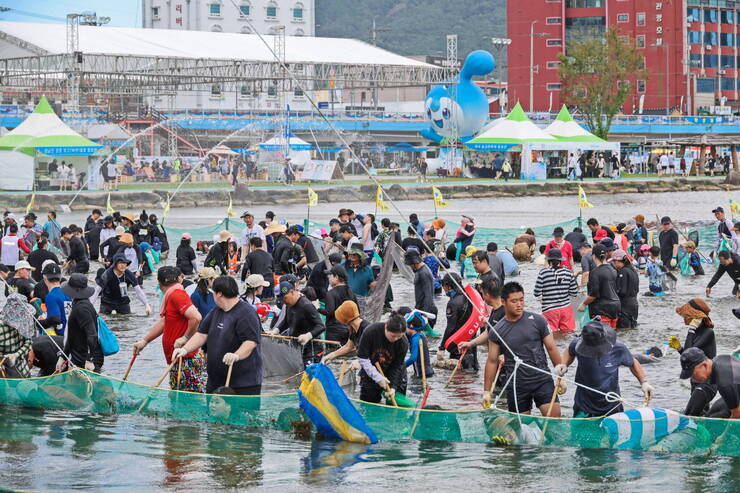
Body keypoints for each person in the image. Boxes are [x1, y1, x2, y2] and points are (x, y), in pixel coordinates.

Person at [482, 282, 565, 416]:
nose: (519, 304)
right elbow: (492, 361)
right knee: (521, 427)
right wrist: (486, 391)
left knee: (554, 420)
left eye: (521, 300)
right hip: (516, 385)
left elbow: (551, 348)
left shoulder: (538, 321)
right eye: (514, 301)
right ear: (503, 302)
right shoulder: (497, 331)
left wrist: (561, 377)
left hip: (542, 379)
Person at [173, 276, 263, 395]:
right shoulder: (216, 312)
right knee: (213, 412)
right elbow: (201, 334)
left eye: (213, 293)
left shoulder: (246, 313)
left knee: (239, 413)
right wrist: (184, 349)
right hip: (215, 381)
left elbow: (251, 342)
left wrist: (236, 355)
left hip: (243, 383)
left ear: (219, 294)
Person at [133, 266, 206, 392]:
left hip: (186, 358)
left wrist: (185, 338)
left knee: (188, 399)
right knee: (177, 394)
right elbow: (165, 322)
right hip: (178, 358)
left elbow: (196, 317)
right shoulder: (172, 293)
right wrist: (144, 341)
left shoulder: (176, 294)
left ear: (160, 282)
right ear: (178, 279)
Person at [561, 319, 653, 417]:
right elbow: (569, 351)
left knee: (612, 431)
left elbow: (633, 362)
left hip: (611, 404)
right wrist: (563, 368)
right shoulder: (578, 344)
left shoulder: (618, 348)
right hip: (584, 404)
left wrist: (644, 382)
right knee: (578, 431)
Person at [356, 311, 409, 404]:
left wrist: (393, 386)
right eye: (393, 336)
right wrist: (377, 377)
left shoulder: (403, 342)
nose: (396, 339)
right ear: (386, 328)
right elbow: (362, 357)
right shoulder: (371, 332)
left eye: (399, 336)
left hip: (394, 371)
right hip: (371, 370)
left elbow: (397, 365)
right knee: (369, 403)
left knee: (393, 403)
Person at [56, 274, 103, 373]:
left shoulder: (82, 309)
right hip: (77, 359)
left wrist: (89, 360)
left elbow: (92, 335)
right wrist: (63, 356)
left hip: (85, 363)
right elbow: (72, 335)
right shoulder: (77, 304)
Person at [271, 281, 326, 365]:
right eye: (281, 300)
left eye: (285, 298)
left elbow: (321, 326)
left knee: (308, 374)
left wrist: (308, 335)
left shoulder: (306, 305)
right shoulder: (289, 305)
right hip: (298, 347)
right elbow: (286, 321)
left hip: (312, 349)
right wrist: (276, 330)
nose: (284, 302)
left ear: (292, 292)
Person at [680, 347, 740, 419]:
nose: (692, 379)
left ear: (704, 365)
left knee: (723, 414)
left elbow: (737, 414)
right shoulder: (718, 360)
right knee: (711, 414)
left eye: (693, 375)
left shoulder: (724, 383)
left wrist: (725, 430)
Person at [533, 248, 579, 333]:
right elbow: (574, 292)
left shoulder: (543, 272)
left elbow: (536, 293)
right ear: (560, 260)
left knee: (551, 335)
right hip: (566, 308)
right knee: (567, 333)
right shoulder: (568, 272)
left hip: (549, 310)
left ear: (549, 260)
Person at [438, 272, 476, 369]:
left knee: (459, 378)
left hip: (458, 346)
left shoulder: (453, 303)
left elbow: (450, 327)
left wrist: (442, 347)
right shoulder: (469, 297)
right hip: (472, 342)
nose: (443, 288)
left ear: (449, 286)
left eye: (444, 286)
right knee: (471, 372)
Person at [578, 244, 620, 328]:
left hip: (602, 310)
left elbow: (593, 295)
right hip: (615, 307)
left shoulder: (595, 272)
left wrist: (583, 304)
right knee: (611, 336)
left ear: (593, 256)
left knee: (601, 337)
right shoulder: (613, 269)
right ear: (606, 255)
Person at [457, 278, 505, 351]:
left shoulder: (507, 312)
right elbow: (488, 332)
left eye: (482, 293)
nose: (482, 297)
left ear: (487, 295)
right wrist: (470, 343)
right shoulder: (494, 310)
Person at [321, 300, 369, 364]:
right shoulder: (354, 329)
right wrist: (331, 356)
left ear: (345, 319)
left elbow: (373, 352)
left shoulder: (367, 330)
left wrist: (359, 362)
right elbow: (348, 347)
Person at [320, 265, 357, 344]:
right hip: (349, 329)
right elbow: (357, 312)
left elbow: (329, 312)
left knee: (332, 353)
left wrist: (317, 308)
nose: (328, 278)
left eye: (330, 276)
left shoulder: (331, 293)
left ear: (336, 277)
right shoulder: (351, 292)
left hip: (334, 331)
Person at [0, 293, 35, 377]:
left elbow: (28, 341)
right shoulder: (1, 328)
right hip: (4, 374)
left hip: (23, 369)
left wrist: (16, 355)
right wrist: (4, 358)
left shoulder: (25, 321)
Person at [406, 249, 438, 325]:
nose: (410, 266)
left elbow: (428, 295)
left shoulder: (424, 273)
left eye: (410, 264)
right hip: (420, 308)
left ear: (415, 263)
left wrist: (425, 314)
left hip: (426, 310)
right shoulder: (419, 270)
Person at [37, 262, 70, 335]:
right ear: (60, 277)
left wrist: (39, 323)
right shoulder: (68, 292)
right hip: (71, 335)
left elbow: (55, 319)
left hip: (61, 337)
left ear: (44, 278)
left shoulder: (51, 296)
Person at [611, 249, 639, 329]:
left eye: (613, 261)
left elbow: (622, 291)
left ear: (617, 261)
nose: (613, 264)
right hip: (634, 304)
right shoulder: (633, 270)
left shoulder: (623, 272)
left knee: (623, 330)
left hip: (625, 306)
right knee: (631, 329)